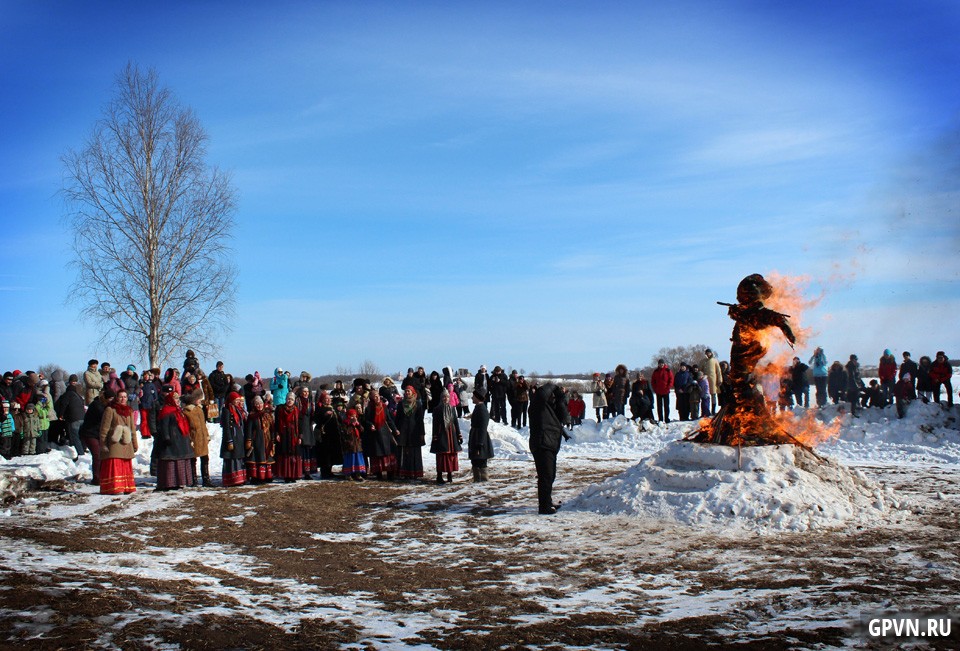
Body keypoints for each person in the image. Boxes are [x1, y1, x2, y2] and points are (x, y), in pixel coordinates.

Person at [528, 382, 570, 515]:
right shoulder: (537, 405)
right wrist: (553, 385)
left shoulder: (551, 409)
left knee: (550, 475)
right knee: (545, 476)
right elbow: (541, 394)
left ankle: (547, 502)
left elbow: (563, 415)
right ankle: (544, 506)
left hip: (550, 444)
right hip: (542, 444)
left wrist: (560, 397)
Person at [98, 390, 138, 495]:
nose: (123, 399)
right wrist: (103, 443)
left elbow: (132, 428)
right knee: (115, 464)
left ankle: (126, 486)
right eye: (121, 397)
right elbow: (104, 428)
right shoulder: (110, 410)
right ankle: (114, 487)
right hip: (114, 443)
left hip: (126, 443)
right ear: (117, 398)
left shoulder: (129, 411)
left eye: (125, 397)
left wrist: (135, 442)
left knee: (125, 464)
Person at [363, 391, 399, 480]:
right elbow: (366, 420)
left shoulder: (384, 407)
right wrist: (370, 425)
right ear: (371, 398)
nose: (377, 398)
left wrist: (395, 429)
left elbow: (389, 419)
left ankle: (390, 473)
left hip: (385, 432)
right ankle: (378, 473)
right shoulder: (369, 408)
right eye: (374, 396)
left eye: (377, 396)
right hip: (375, 433)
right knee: (377, 453)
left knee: (389, 452)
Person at [430, 390, 462, 484]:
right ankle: (439, 476)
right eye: (444, 397)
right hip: (441, 434)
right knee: (441, 454)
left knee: (451, 454)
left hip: (451, 434)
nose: (446, 398)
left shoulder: (452, 408)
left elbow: (455, 422)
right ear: (441, 398)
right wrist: (435, 435)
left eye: (447, 397)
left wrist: (459, 435)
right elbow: (435, 424)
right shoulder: (437, 409)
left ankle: (449, 474)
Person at [394, 386, 425, 481]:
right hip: (403, 430)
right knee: (403, 452)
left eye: (409, 391)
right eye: (406, 391)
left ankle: (414, 473)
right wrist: (396, 429)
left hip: (414, 431)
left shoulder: (418, 404)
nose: (407, 393)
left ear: (413, 392)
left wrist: (422, 433)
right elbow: (398, 418)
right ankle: (403, 472)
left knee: (414, 452)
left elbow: (420, 420)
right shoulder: (401, 404)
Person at [81, 389, 111, 485]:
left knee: (102, 454)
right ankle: (96, 478)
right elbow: (104, 416)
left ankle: (102, 475)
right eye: (110, 398)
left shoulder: (105, 406)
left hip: (98, 434)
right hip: (90, 433)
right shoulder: (96, 405)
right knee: (97, 454)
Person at [183, 388, 211, 487]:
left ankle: (206, 479)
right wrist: (189, 439)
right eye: (199, 398)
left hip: (202, 437)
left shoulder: (200, 409)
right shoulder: (187, 411)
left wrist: (207, 435)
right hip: (194, 438)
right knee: (193, 459)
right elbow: (187, 427)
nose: (200, 400)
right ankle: (193, 479)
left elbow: (203, 424)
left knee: (205, 458)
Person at [244, 396, 275, 484]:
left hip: (267, 439)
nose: (259, 406)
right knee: (257, 457)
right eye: (257, 404)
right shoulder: (252, 415)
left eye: (260, 404)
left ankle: (266, 476)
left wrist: (272, 438)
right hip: (257, 439)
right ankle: (256, 477)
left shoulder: (267, 414)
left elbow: (272, 428)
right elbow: (249, 429)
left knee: (267, 457)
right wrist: (249, 440)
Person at [312, 392, 343, 479]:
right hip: (324, 435)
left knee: (331, 453)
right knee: (324, 454)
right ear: (322, 400)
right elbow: (317, 420)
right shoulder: (320, 409)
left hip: (333, 435)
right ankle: (324, 472)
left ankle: (329, 470)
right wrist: (324, 415)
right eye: (326, 398)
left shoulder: (333, 409)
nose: (329, 400)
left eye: (330, 399)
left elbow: (339, 420)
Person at [220, 391, 248, 487]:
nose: (237, 402)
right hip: (232, 437)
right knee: (232, 458)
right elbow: (226, 427)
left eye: (238, 400)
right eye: (236, 400)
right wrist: (229, 440)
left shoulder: (238, 410)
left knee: (238, 457)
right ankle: (232, 479)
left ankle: (240, 478)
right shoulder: (226, 410)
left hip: (239, 437)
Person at [55, 375, 86, 459]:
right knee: (81, 436)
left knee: (75, 437)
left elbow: (64, 405)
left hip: (73, 418)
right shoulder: (79, 396)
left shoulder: (67, 395)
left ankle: (81, 454)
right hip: (82, 417)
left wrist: (61, 414)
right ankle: (83, 450)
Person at [274, 393, 302, 482]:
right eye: (288, 399)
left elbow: (299, 424)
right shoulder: (280, 409)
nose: (290, 401)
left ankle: (293, 475)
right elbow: (277, 423)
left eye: (292, 399)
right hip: (284, 433)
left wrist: (300, 436)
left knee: (293, 454)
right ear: (286, 399)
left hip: (294, 434)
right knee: (284, 454)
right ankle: (286, 475)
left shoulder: (297, 410)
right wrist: (277, 433)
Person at [468, 388, 494, 482]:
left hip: (480, 438)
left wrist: (480, 444)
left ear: (478, 398)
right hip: (476, 436)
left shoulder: (482, 410)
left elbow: (483, 428)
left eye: (474, 396)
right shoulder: (478, 408)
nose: (472, 398)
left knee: (481, 460)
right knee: (475, 460)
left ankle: (483, 480)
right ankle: (477, 480)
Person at [341, 409, 366, 482]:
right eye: (352, 416)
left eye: (355, 416)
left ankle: (358, 474)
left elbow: (362, 430)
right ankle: (348, 474)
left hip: (357, 444)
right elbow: (345, 432)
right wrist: (351, 424)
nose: (354, 417)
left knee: (357, 459)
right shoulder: (345, 423)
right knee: (349, 459)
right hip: (349, 444)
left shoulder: (357, 423)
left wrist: (358, 424)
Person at [702, 349, 722, 415]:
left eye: (709, 353)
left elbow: (718, 371)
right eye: (707, 353)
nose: (708, 354)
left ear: (711, 353)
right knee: (706, 396)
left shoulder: (715, 361)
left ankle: (713, 410)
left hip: (713, 380)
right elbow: (700, 370)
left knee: (713, 395)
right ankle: (706, 411)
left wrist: (719, 380)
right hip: (705, 381)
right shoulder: (703, 361)